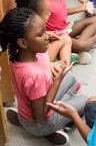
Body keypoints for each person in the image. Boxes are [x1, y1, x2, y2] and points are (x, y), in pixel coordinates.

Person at [0, 8, 87, 145]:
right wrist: (57, 79)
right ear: (23, 43)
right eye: (40, 35)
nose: (47, 36)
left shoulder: (17, 58)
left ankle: (23, 121)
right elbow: (40, 116)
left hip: (26, 114)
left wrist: (57, 74)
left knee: (71, 80)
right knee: (85, 100)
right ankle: (53, 129)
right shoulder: (35, 76)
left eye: (45, 31)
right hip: (42, 124)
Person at [14, 0, 75, 66]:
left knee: (64, 37)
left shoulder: (26, 24)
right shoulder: (34, 27)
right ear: (37, 16)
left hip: (37, 57)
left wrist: (49, 34)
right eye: (47, 13)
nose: (50, 14)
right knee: (66, 39)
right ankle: (65, 68)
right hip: (40, 60)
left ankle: (61, 64)